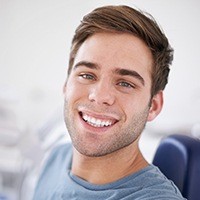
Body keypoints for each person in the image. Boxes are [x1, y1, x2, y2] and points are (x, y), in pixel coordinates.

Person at [33, 5, 186, 200]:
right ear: (66, 84)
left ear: (154, 105)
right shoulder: (56, 159)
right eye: (87, 75)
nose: (99, 95)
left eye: (125, 83)